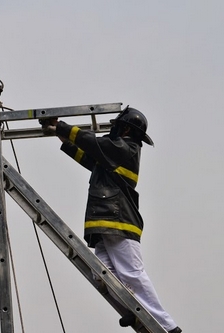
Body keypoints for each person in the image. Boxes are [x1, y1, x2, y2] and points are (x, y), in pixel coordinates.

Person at [41, 106, 181, 333]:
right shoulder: (115, 153)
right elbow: (88, 156)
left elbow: (97, 144)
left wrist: (63, 127)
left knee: (131, 274)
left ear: (125, 127)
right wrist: (60, 132)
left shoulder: (127, 148)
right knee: (101, 276)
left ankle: (169, 327)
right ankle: (135, 315)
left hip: (119, 222)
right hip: (109, 222)